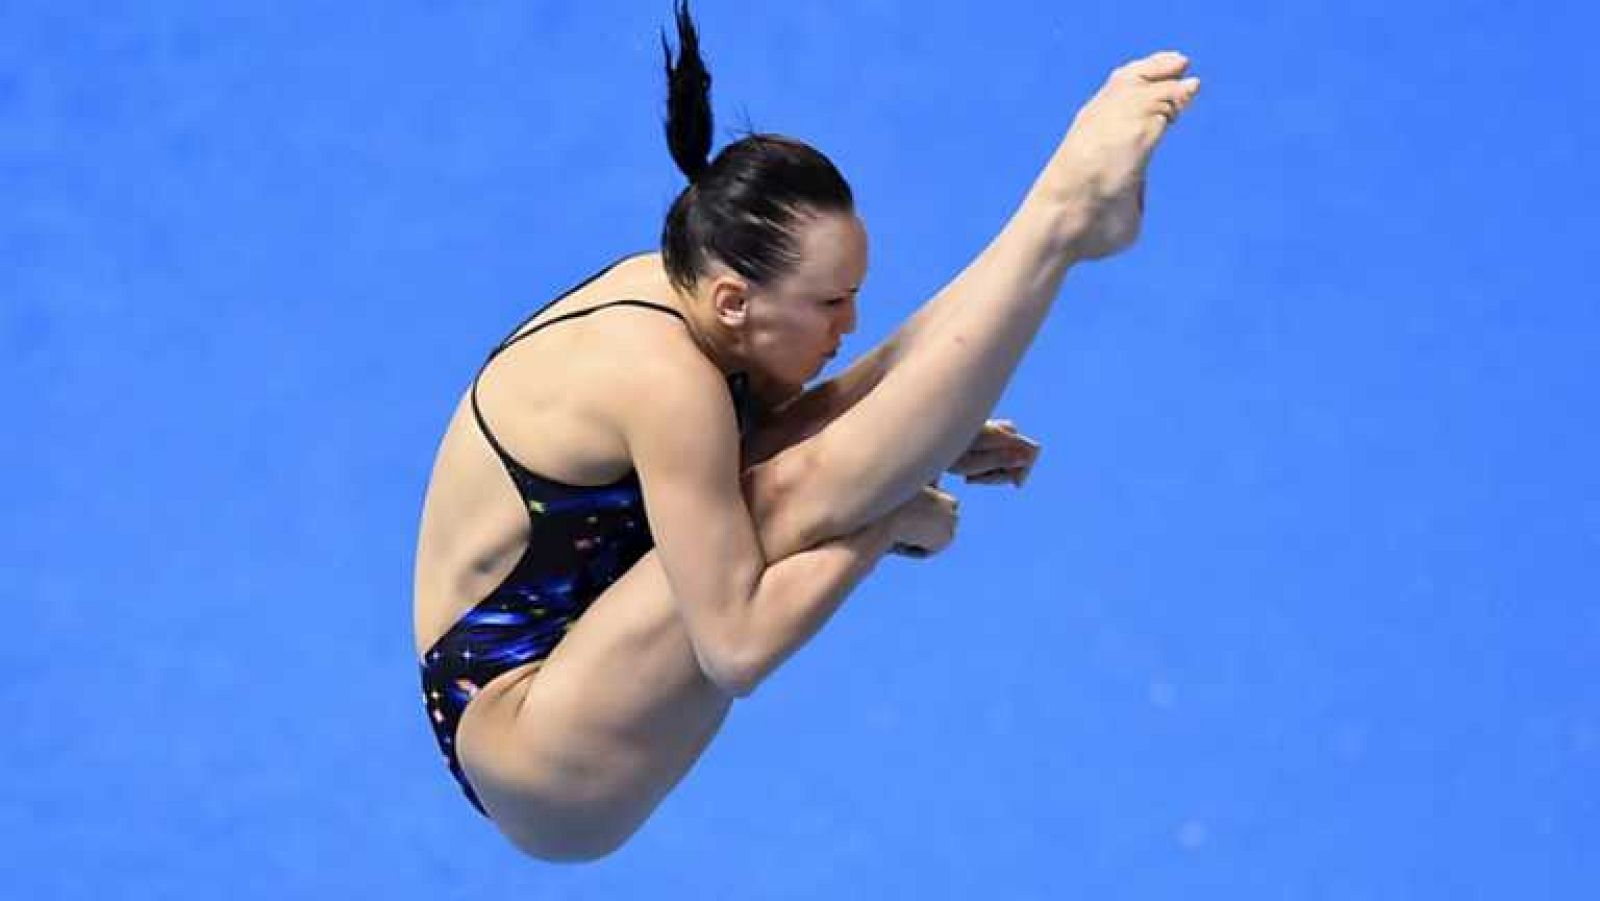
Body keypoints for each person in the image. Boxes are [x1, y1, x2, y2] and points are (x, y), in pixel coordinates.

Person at [412, 0, 1200, 862]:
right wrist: (887, 515)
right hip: (537, 750)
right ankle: (1057, 224)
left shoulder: (680, 297)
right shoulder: (664, 378)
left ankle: (1058, 224)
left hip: (573, 667)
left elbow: (781, 429)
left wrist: (931, 431)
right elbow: (738, 646)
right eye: (831, 303)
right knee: (785, 499)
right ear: (732, 301)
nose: (851, 324)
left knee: (792, 478)